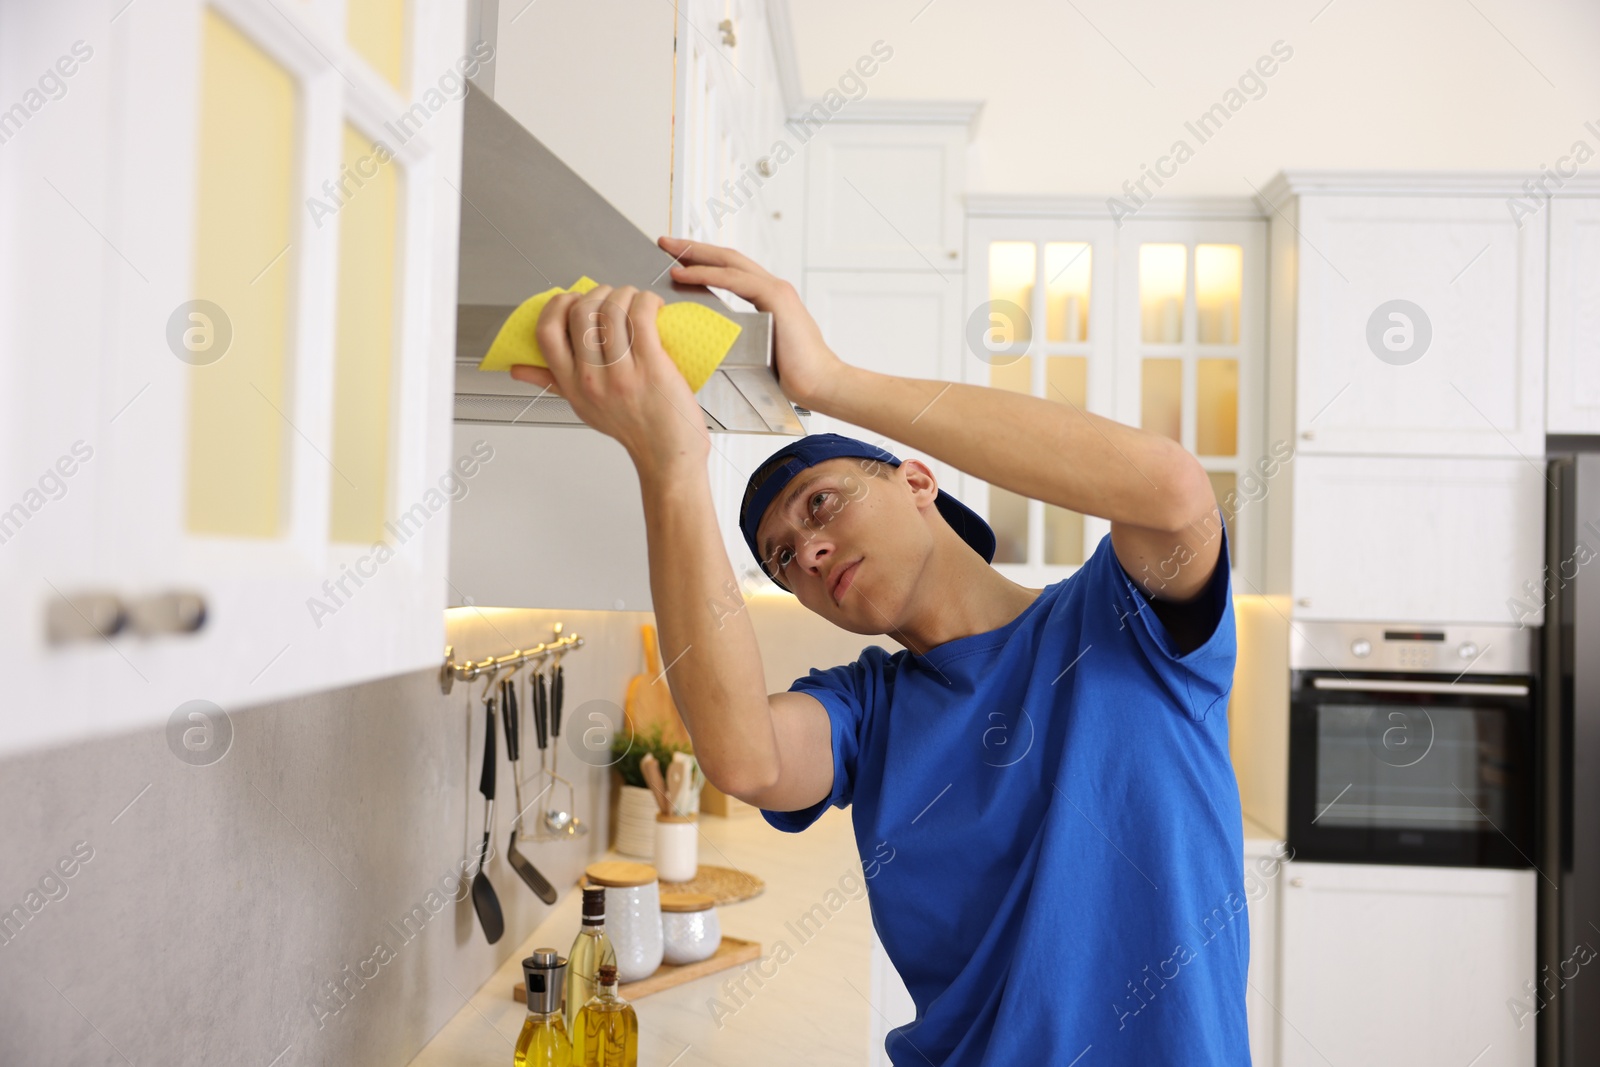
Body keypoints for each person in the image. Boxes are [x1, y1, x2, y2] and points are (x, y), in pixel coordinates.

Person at [509, 237, 1248, 1066]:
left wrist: (828, 380)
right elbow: (745, 757)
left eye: (821, 505)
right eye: (783, 558)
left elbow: (1174, 491)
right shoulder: (868, 709)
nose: (808, 553)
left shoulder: (1124, 621)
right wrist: (670, 464)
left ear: (917, 483)